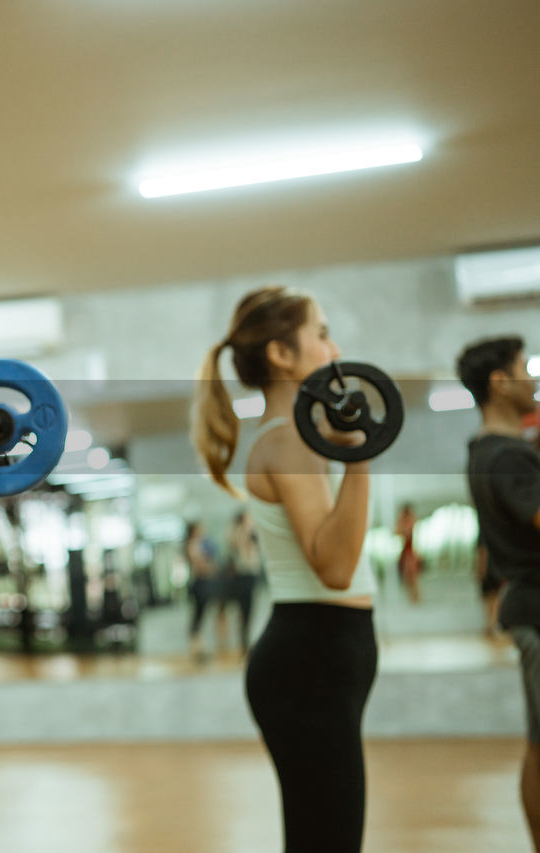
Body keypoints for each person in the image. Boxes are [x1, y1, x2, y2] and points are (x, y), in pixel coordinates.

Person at [192, 285, 377, 853]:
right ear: (281, 353)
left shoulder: (296, 439)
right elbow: (337, 566)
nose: (333, 346)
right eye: (320, 333)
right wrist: (362, 458)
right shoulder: (290, 442)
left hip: (317, 654)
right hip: (311, 658)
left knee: (322, 834)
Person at [457, 335, 540, 850]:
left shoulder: (501, 452)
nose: (531, 378)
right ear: (499, 382)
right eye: (523, 369)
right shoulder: (504, 457)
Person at [224, 509, 263, 655]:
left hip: (250, 575)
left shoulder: (252, 534)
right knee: (243, 611)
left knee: (248, 611)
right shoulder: (238, 533)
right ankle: (243, 643)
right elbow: (233, 545)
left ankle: (245, 642)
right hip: (242, 576)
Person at [184, 521, 220, 663]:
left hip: (203, 583)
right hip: (199, 584)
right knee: (197, 617)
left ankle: (198, 647)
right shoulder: (193, 545)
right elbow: (200, 565)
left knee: (200, 616)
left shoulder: (200, 544)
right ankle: (196, 649)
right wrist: (209, 567)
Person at [395, 503, 423, 603]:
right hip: (408, 551)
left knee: (412, 577)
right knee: (410, 577)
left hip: (410, 552)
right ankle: (414, 597)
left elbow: (400, 532)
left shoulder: (410, 522)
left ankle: (415, 597)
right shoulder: (409, 521)